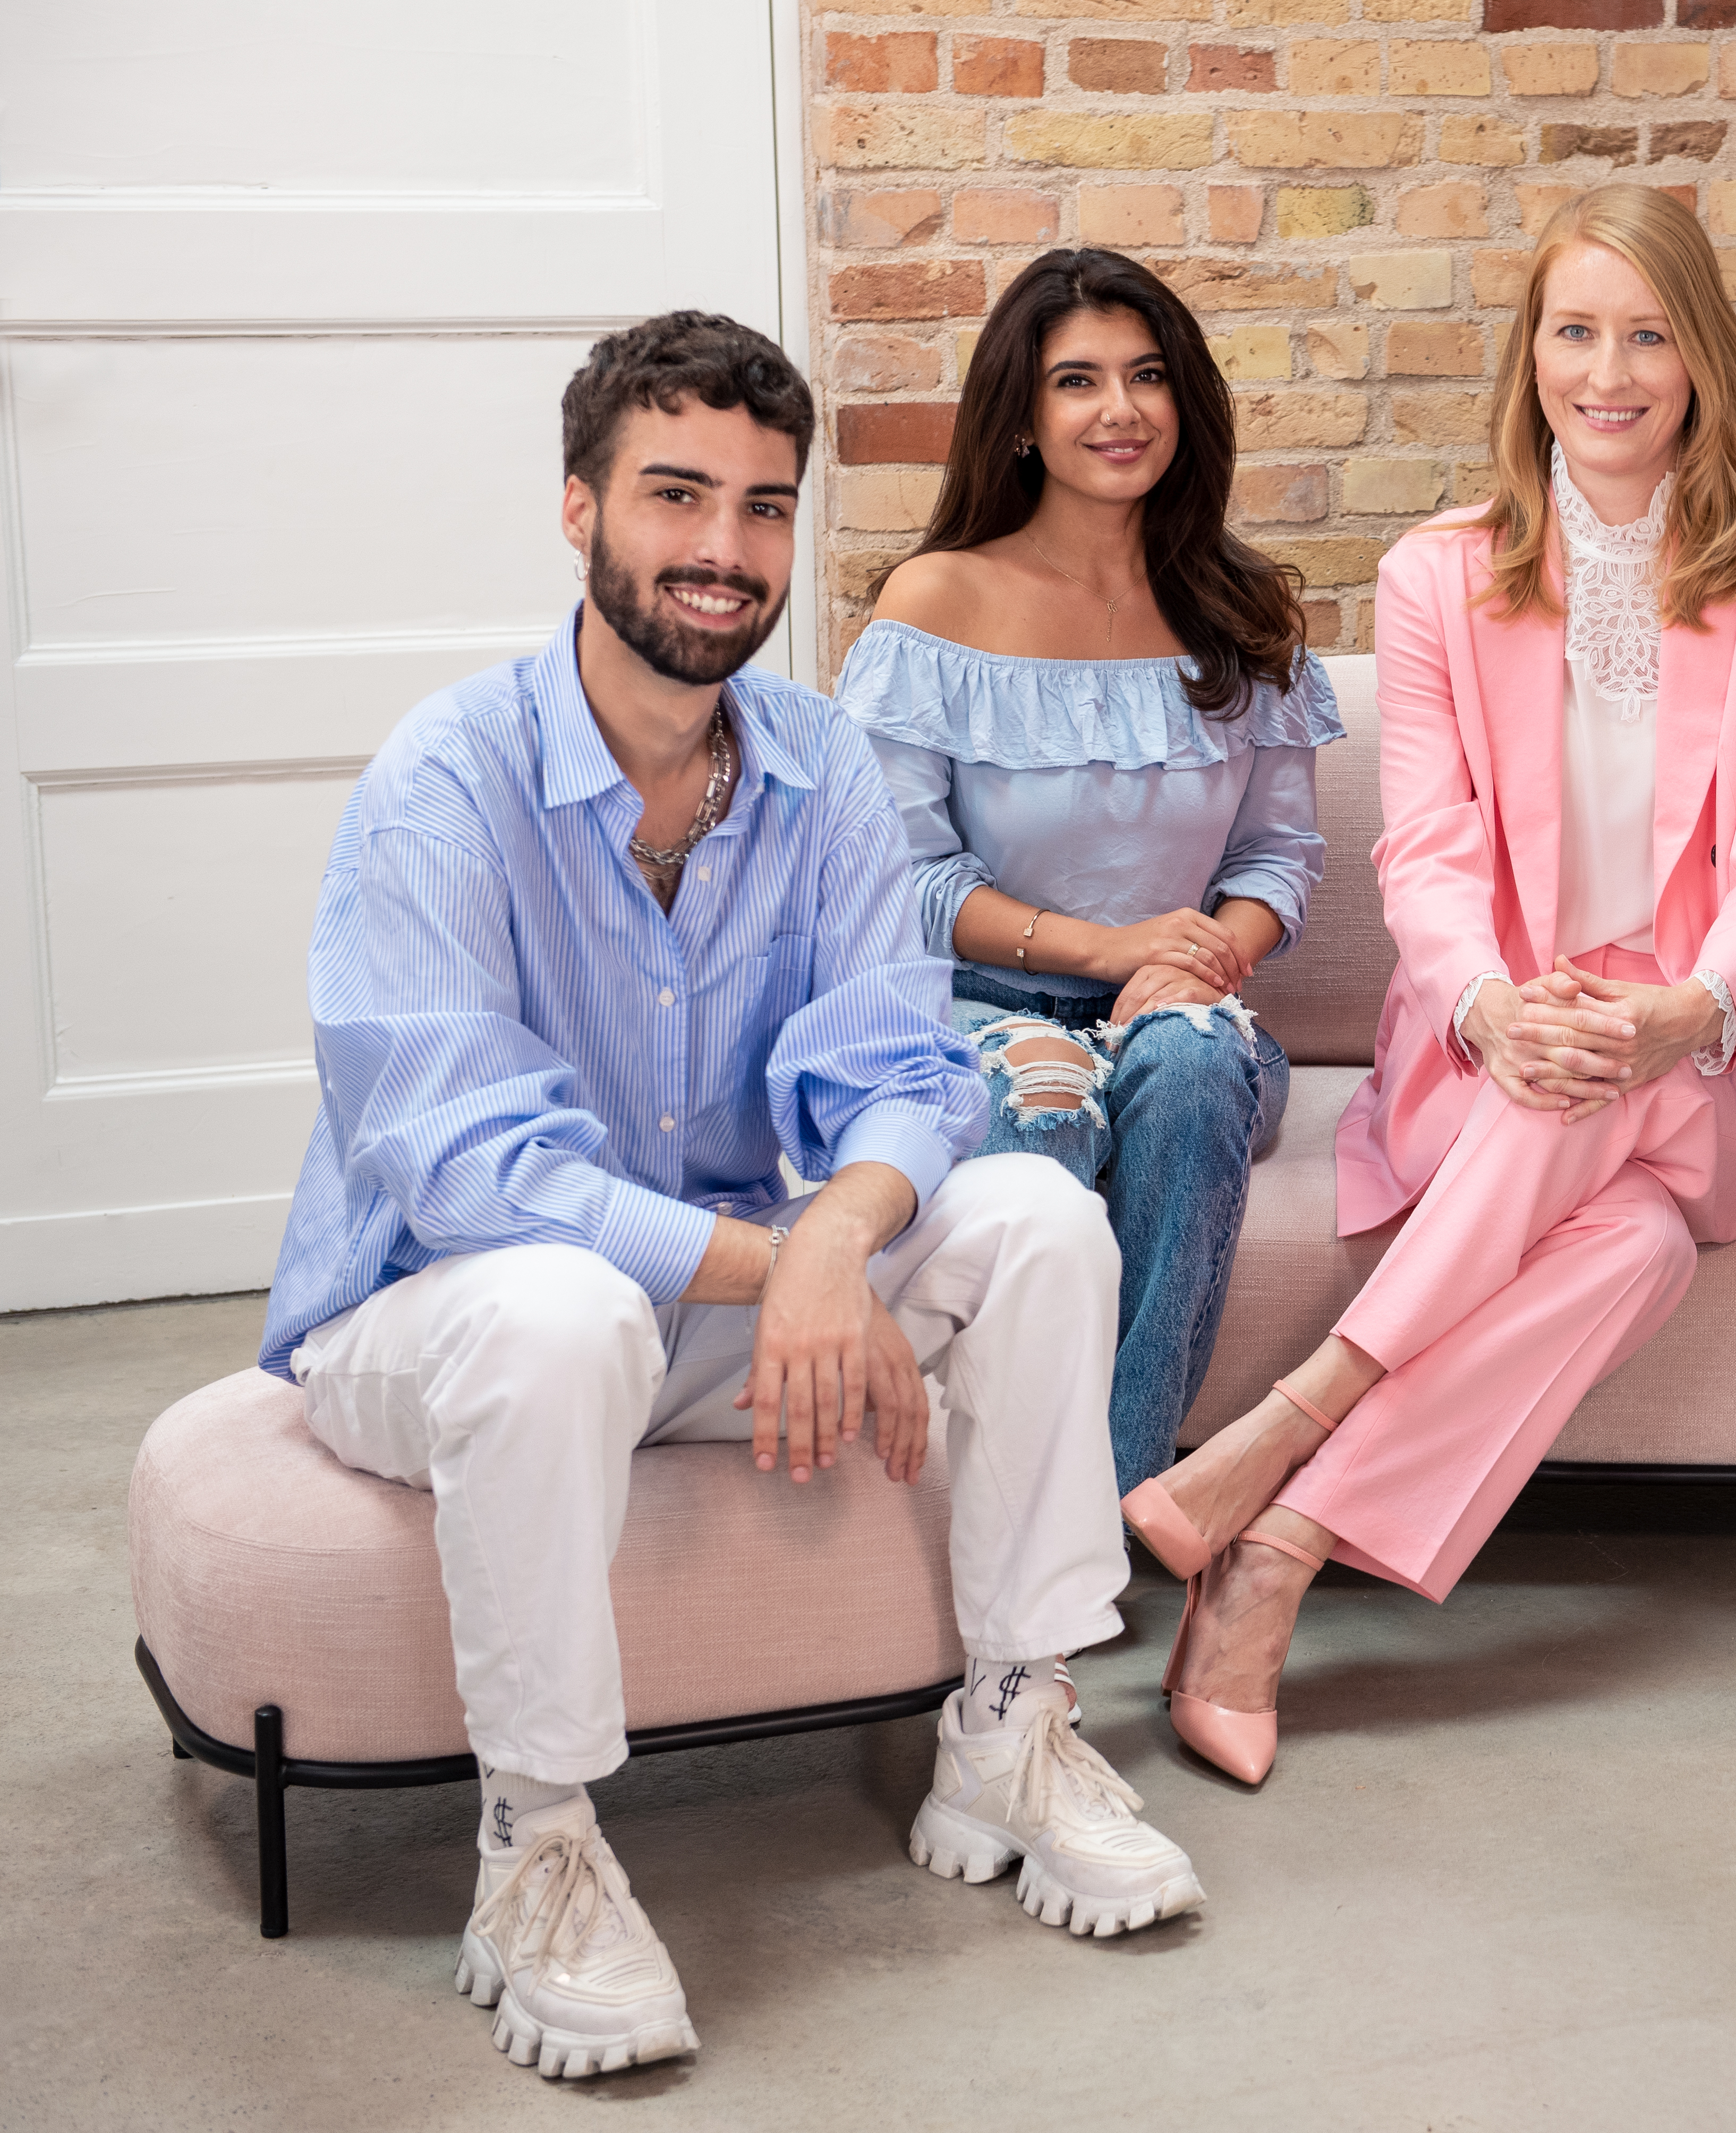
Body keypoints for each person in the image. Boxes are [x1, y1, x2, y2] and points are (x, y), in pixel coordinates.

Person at [259, 314, 1202, 2083]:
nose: (723, 549)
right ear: (577, 507)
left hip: (701, 1299)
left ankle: (1012, 1717)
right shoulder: (443, 783)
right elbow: (472, 1164)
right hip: (438, 1315)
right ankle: (533, 1841)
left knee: (1038, 1223)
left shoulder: (816, 761)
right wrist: (789, 1259)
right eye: (675, 494)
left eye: (765, 508)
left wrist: (838, 1236)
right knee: (561, 1298)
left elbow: (898, 1069)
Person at [1108, 185, 1736, 1786]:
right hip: (1498, 1045)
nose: (1607, 372)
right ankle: (1271, 1564)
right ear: (1528, 352)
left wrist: (1690, 1011)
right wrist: (1487, 1007)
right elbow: (1426, 850)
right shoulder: (1438, 576)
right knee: (1624, 1249)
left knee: (1608, 1083)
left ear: (1700, 358)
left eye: (1646, 334)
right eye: (1574, 332)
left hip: (1730, 1055)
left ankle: (1280, 1428)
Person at [838, 248, 1335, 1497]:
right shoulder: (937, 601)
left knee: (1191, 1067)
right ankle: (1006, 1506)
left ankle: (1097, 1520)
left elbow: (1278, 856)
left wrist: (1204, 961)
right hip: (976, 1012)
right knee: (1040, 1101)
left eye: (1147, 374)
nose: (1120, 409)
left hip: (1187, 1012)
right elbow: (904, 881)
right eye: (1078, 380)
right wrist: (1107, 950)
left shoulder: (1241, 605)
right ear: (1020, 416)